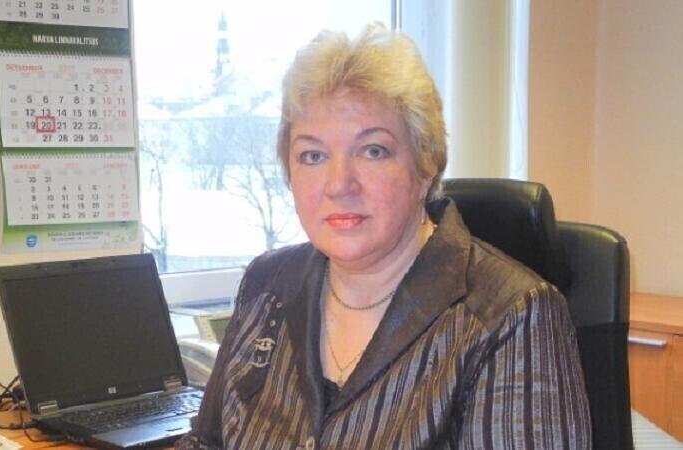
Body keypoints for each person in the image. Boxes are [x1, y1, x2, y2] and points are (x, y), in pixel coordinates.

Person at [176, 23, 591, 449]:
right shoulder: (268, 286)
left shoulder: (510, 316)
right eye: (313, 155)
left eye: (372, 151)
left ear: (425, 164)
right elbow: (206, 442)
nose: (339, 184)